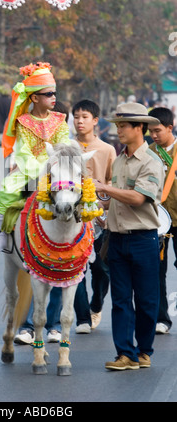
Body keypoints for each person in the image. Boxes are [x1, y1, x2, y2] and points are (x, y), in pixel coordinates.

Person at [94, 102, 164, 370]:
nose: (119, 130)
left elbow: (137, 198)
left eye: (123, 125)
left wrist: (105, 189)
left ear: (140, 128)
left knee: (146, 302)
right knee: (121, 300)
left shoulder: (151, 161)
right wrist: (94, 204)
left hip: (144, 240)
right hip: (117, 239)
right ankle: (125, 354)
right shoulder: (120, 159)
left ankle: (144, 350)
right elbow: (118, 201)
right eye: (118, 125)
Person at [0, 62, 70, 257]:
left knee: (81, 191)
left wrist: (55, 166)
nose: (54, 98)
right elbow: (23, 151)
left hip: (58, 165)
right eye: (48, 94)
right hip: (30, 167)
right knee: (7, 189)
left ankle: (85, 238)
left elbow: (64, 145)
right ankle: (3, 235)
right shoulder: (23, 122)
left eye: (54, 93)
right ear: (34, 97)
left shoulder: (60, 119)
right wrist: (41, 170)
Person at [72, 100, 116, 334]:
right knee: (76, 269)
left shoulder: (107, 150)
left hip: (99, 218)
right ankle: (82, 319)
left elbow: (112, 183)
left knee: (101, 268)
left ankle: (96, 305)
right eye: (76, 117)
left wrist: (103, 207)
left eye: (85, 117)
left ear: (95, 120)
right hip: (73, 220)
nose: (80, 121)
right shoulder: (67, 147)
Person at [148, 107, 177, 334]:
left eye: (158, 130)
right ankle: (161, 319)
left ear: (170, 127)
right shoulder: (148, 153)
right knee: (157, 270)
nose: (154, 135)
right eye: (150, 132)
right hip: (157, 220)